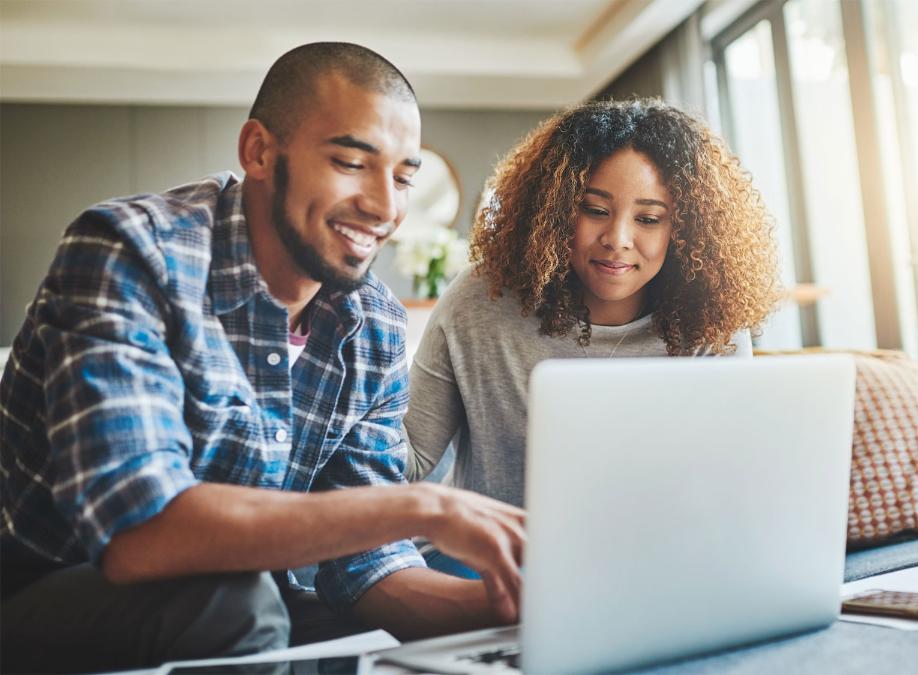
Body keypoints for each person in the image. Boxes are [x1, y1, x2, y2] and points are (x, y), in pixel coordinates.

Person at [0, 42, 525, 673]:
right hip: (42, 595)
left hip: (245, 600)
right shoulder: (129, 254)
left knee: (342, 626)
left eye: (404, 177)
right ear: (258, 151)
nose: (386, 207)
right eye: (351, 162)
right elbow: (139, 534)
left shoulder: (375, 325)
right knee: (242, 605)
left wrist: (517, 609)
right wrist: (425, 506)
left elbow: (365, 567)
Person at [404, 100, 782, 564]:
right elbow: (408, 462)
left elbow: (726, 482)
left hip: (652, 562)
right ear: (557, 208)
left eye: (648, 218)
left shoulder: (710, 323)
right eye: (595, 210)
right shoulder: (482, 300)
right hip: (489, 565)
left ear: (684, 229)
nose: (617, 238)